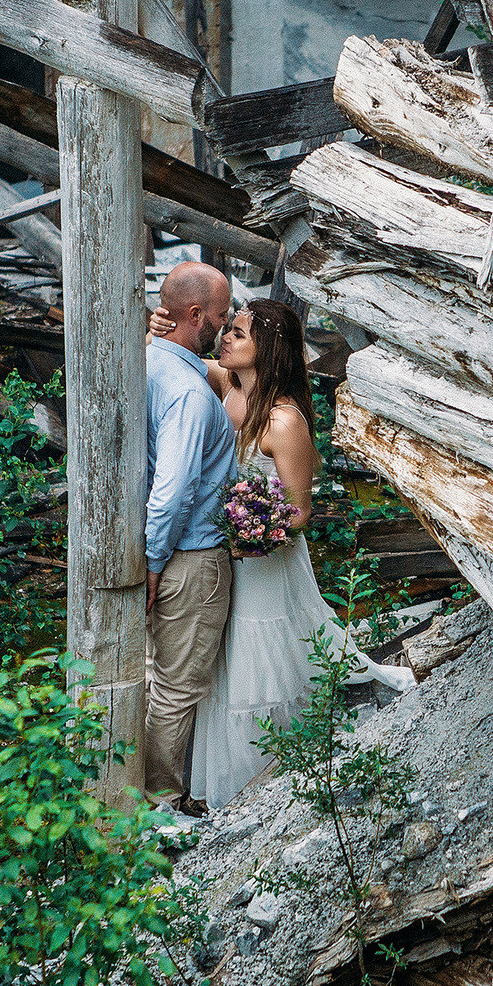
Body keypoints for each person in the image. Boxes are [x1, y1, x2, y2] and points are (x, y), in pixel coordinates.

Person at [148, 296, 415, 810]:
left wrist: (251, 535)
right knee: (224, 661)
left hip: (264, 559)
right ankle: (220, 782)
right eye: (227, 330)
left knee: (259, 660)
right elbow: (174, 355)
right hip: (227, 552)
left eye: (238, 334)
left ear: (266, 350)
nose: (225, 338)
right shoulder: (227, 387)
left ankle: (263, 781)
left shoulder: (285, 421)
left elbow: (298, 513)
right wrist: (160, 324)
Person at [141, 262, 238, 815]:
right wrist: (156, 561)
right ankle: (163, 805)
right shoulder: (189, 396)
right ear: (195, 315)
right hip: (192, 556)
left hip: (171, 550)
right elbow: (173, 490)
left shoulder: (152, 360)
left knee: (160, 676)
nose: (224, 329)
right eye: (222, 318)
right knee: (176, 690)